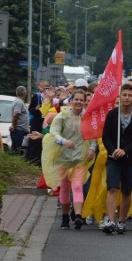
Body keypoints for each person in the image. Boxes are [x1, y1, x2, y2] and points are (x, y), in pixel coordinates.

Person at [41, 90, 93, 230]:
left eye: (81, 100)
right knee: (65, 188)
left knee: (77, 186)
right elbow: (54, 132)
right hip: (63, 158)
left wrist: (92, 149)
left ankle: (77, 216)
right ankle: (65, 217)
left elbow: (93, 135)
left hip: (79, 158)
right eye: (76, 99)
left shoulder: (87, 117)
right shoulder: (62, 116)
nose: (78, 102)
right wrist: (63, 141)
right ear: (71, 101)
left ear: (84, 102)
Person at [101, 83, 132, 234]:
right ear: (120, 96)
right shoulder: (112, 114)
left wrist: (125, 150)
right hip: (113, 158)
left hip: (130, 158)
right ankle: (111, 220)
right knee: (112, 187)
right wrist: (113, 150)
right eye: (124, 95)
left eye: (130, 95)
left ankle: (121, 220)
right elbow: (106, 136)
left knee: (126, 191)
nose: (126, 98)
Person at [10, 86, 30, 152]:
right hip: (18, 130)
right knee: (16, 150)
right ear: (25, 93)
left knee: (16, 149)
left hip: (19, 130)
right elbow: (15, 115)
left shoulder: (18, 101)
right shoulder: (19, 102)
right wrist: (14, 126)